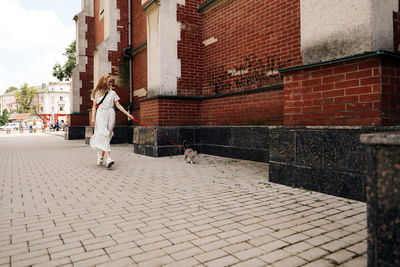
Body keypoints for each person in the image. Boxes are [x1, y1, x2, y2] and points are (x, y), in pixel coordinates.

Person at [90, 73, 134, 168]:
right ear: (104, 82)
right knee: (105, 134)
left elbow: (118, 105)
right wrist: (93, 117)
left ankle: (101, 154)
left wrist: (128, 114)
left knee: (108, 135)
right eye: (110, 82)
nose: (111, 84)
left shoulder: (113, 93)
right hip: (101, 114)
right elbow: (94, 107)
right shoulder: (96, 93)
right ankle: (108, 158)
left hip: (111, 114)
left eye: (112, 82)